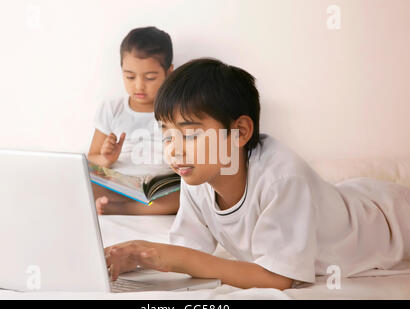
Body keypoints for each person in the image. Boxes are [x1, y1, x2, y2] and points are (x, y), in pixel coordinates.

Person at [103, 58, 410, 290]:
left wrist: (169, 258)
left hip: (391, 219)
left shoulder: (282, 178)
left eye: (191, 134)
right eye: (167, 136)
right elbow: (187, 249)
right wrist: (136, 255)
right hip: (347, 197)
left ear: (239, 132)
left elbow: (278, 278)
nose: (174, 150)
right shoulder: (197, 175)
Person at [88, 26, 179, 215]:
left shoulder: (178, 111)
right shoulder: (112, 109)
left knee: (194, 192)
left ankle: (124, 209)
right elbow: (91, 160)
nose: (139, 86)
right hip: (119, 185)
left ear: (169, 72)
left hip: (160, 189)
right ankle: (121, 204)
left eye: (150, 78)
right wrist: (106, 159)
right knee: (83, 182)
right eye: (130, 76)